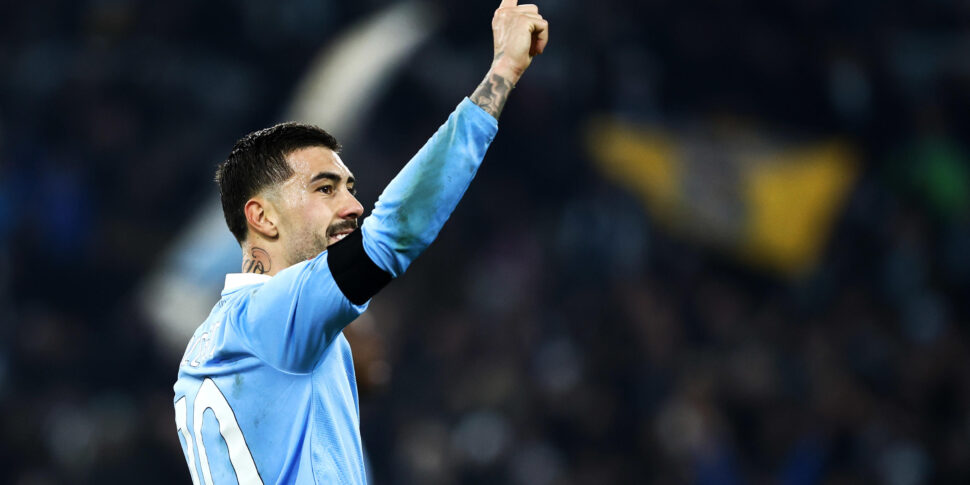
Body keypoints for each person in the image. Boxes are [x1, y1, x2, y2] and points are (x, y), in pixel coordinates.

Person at [172, 1, 548, 483]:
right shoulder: (269, 316)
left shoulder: (213, 346)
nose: (351, 206)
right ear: (262, 217)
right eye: (325, 189)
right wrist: (504, 71)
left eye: (350, 188)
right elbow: (392, 234)